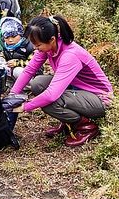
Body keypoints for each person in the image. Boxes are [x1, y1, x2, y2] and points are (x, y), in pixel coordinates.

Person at [8, 15, 113, 146]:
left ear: (52, 39)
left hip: (99, 99)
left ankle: (86, 127)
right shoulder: (50, 46)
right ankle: (68, 121)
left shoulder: (70, 55)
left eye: (37, 44)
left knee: (48, 100)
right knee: (38, 84)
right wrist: (12, 96)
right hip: (77, 91)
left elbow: (51, 95)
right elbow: (29, 70)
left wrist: (25, 107)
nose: (35, 48)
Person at [0, 16, 37, 89]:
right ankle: (9, 87)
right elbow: (3, 55)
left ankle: (30, 88)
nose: (10, 40)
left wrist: (17, 63)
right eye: (7, 37)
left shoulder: (29, 46)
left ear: (20, 34)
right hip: (11, 74)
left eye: (13, 36)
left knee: (17, 71)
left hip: (32, 75)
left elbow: (35, 64)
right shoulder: (4, 46)